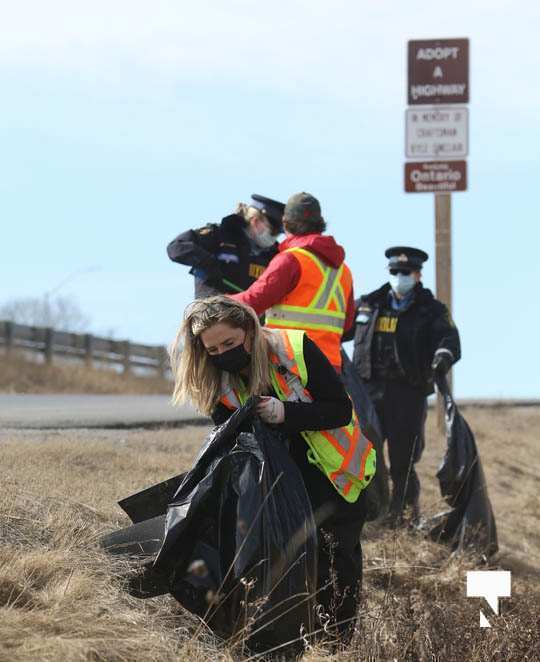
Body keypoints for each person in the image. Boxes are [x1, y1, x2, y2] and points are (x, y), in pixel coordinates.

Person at [170, 296, 376, 638]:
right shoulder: (216, 378)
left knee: (336, 562)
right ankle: (291, 642)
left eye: (229, 343)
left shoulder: (294, 348)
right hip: (279, 483)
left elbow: (339, 409)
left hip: (336, 476)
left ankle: (335, 645)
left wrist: (286, 414)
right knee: (287, 564)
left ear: (249, 331)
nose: (222, 354)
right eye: (214, 349)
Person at [352, 246, 461, 526]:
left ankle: (403, 519)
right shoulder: (369, 304)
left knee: (403, 460)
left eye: (405, 272)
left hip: (407, 395)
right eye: (394, 272)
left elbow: (449, 340)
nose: (399, 277)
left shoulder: (431, 310)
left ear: (417, 274)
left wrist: (442, 358)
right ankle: (371, 515)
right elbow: (338, 332)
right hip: (369, 393)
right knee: (367, 457)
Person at [230, 192, 355, 372]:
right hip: (330, 368)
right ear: (320, 224)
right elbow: (347, 325)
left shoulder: (290, 260)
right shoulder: (344, 271)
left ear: (286, 224)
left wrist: (217, 301)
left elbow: (252, 302)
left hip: (290, 364)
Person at [167, 194, 285, 298]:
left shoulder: (275, 256)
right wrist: (208, 262)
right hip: (214, 315)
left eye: (279, 234)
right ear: (255, 221)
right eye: (273, 232)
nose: (275, 237)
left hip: (250, 318)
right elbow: (176, 247)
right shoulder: (221, 234)